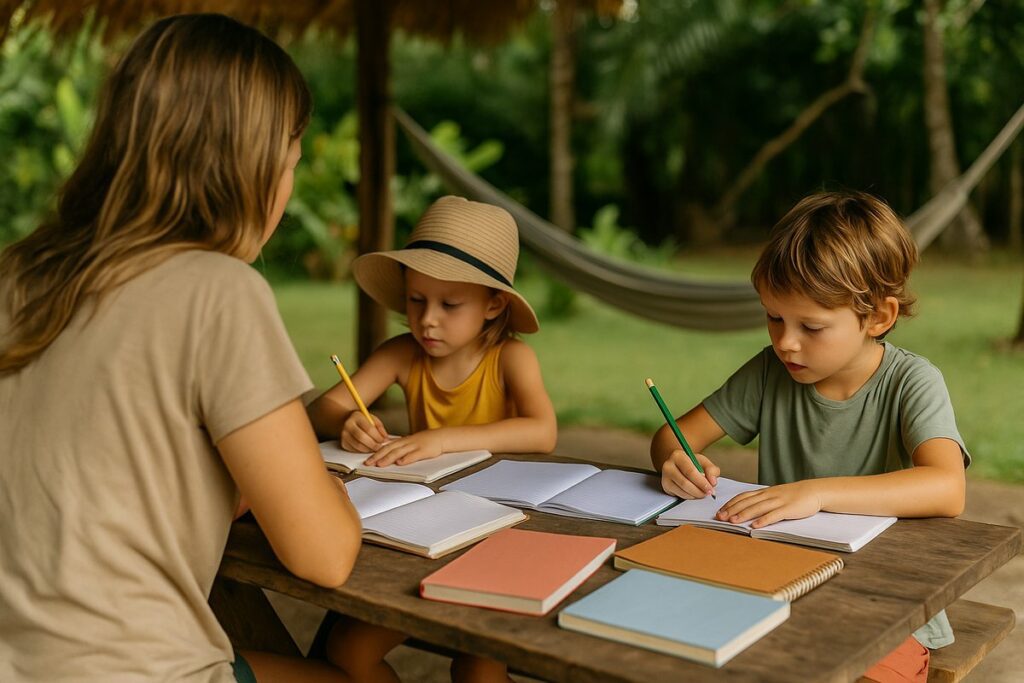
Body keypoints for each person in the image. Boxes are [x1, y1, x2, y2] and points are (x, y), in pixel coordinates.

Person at [0, 14, 362, 683]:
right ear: (251, 169)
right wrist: (330, 489)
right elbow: (325, 554)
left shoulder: (15, 273)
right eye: (289, 165)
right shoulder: (220, 291)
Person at [650, 191, 968, 683]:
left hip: (886, 606)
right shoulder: (768, 373)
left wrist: (815, 493)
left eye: (812, 327)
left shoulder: (912, 382)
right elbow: (672, 437)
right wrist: (676, 460)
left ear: (878, 318)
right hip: (776, 585)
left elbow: (947, 488)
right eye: (774, 317)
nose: (785, 342)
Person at [307, 195, 557, 683]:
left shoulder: (511, 359)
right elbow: (324, 408)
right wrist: (346, 422)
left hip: (497, 533)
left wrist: (441, 439)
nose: (427, 320)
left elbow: (543, 431)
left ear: (493, 304)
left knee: (478, 667)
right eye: (416, 299)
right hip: (416, 532)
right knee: (348, 651)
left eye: (450, 304)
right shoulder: (401, 353)